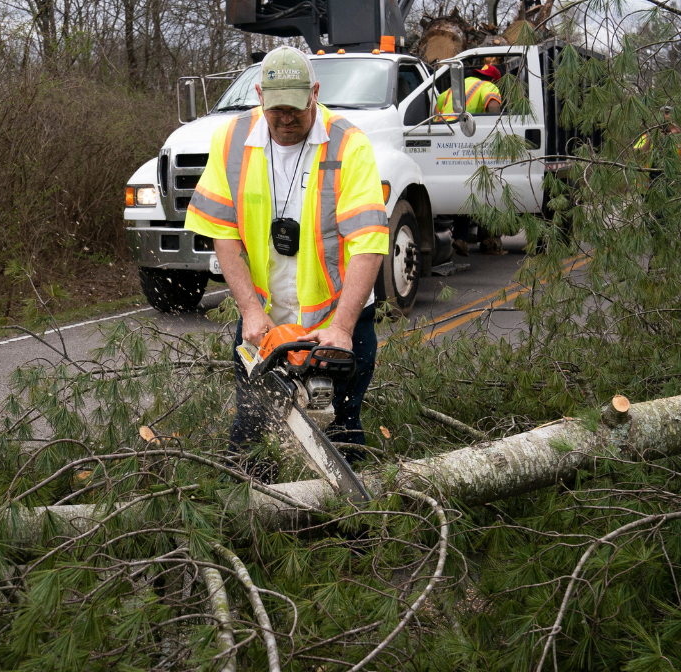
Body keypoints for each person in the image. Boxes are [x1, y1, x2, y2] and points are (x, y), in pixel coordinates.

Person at [184, 46, 388, 463]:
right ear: (259, 95)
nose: (287, 118)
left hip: (337, 321)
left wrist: (344, 327)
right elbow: (223, 234)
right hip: (267, 323)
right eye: (276, 109)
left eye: (297, 107)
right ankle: (249, 519)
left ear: (315, 92)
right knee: (252, 435)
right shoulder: (232, 140)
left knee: (343, 434)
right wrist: (250, 311)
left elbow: (368, 241)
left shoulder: (349, 144)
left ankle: (356, 525)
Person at [435, 63, 503, 117]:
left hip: (443, 125)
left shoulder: (463, 82)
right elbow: (493, 106)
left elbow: (440, 99)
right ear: (493, 81)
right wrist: (496, 126)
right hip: (462, 126)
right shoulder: (488, 85)